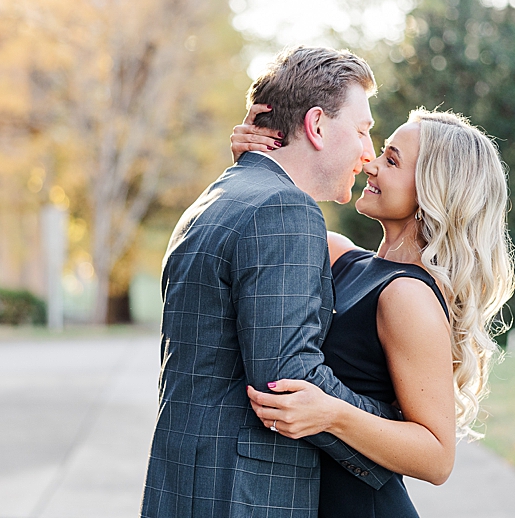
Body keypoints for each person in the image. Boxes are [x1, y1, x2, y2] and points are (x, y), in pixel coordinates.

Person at [141, 47, 405, 518]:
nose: (368, 154)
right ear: (317, 125)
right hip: (249, 499)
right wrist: (392, 427)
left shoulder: (216, 197)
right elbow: (286, 381)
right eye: (364, 131)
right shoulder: (286, 211)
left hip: (184, 486)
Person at [230, 107, 515, 517]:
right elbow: (269, 221)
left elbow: (437, 457)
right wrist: (255, 162)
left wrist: (330, 414)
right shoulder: (340, 255)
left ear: (432, 190)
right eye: (381, 152)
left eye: (392, 160)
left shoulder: (407, 295)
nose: (371, 163)